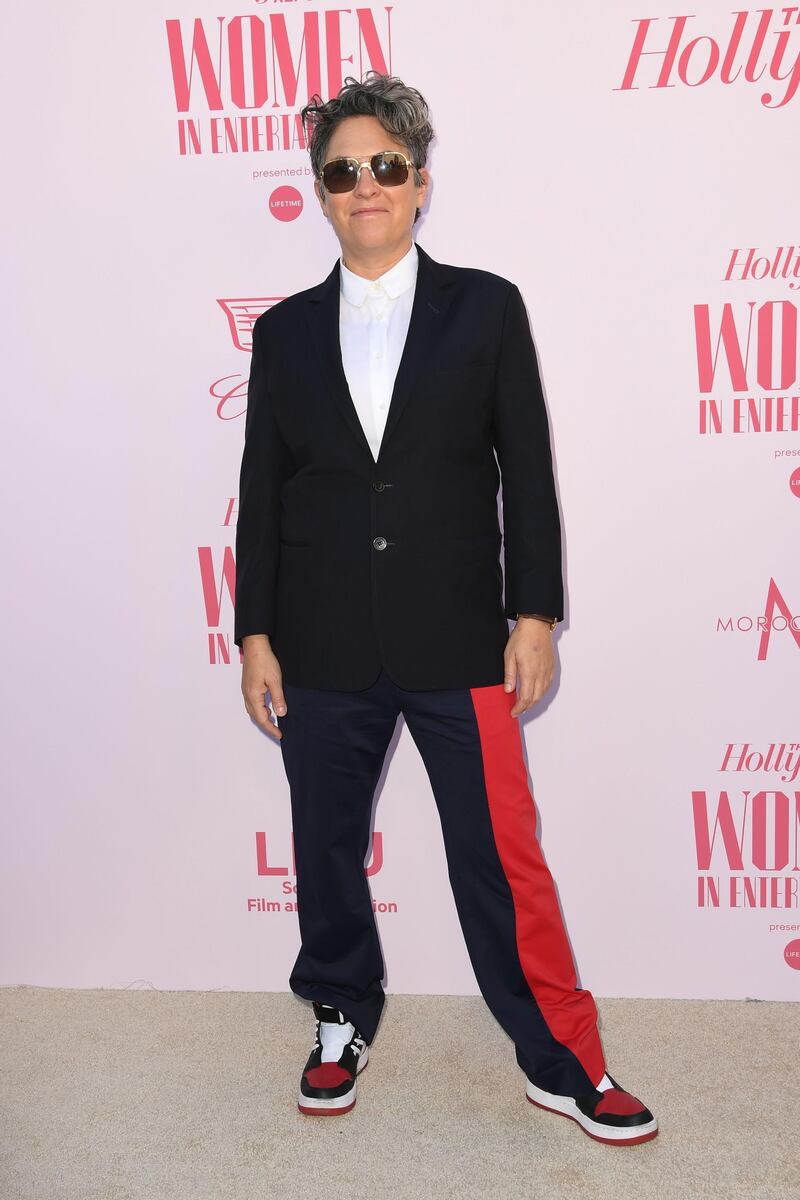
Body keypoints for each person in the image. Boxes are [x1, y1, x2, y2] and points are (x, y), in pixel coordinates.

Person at [234, 71, 657, 1146]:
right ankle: (339, 1015)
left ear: (419, 182)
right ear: (320, 193)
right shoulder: (281, 334)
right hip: (320, 642)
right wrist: (255, 633)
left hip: (460, 633)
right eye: (341, 171)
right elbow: (262, 492)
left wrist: (534, 615)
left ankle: (558, 1057)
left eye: (384, 165)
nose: (363, 185)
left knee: (500, 858)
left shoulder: (486, 305)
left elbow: (528, 469)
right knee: (324, 843)